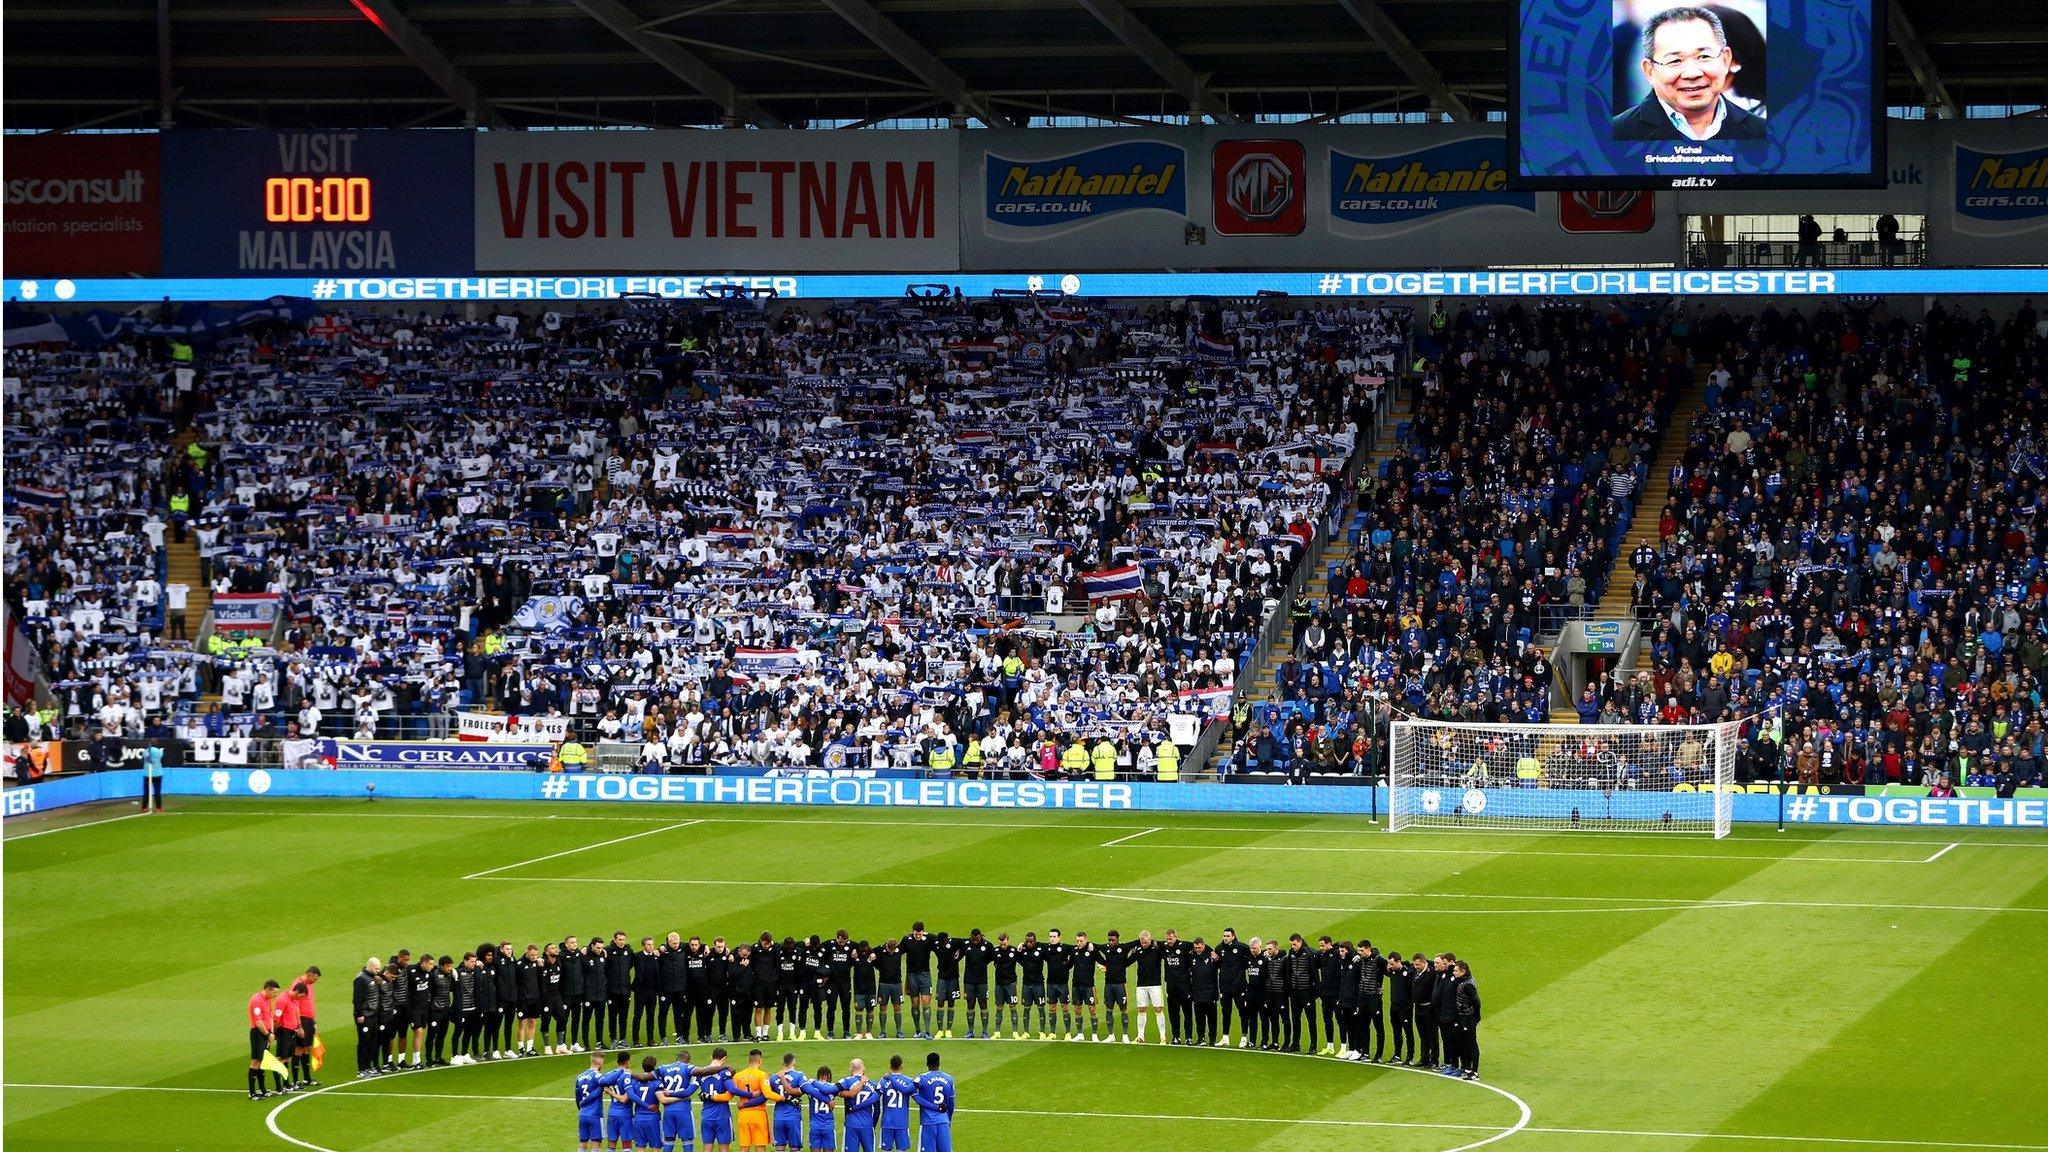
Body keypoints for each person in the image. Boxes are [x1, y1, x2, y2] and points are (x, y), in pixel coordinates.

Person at [1611, 6, 1766, 141]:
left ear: (1726, 60)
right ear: (1649, 70)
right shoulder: (1616, 134)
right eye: (1675, 61)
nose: (1692, 73)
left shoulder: (1763, 132)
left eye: (1703, 57)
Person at [911, 1053, 955, 1152]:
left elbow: (909, 1089)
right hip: (944, 1121)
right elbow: (951, 1104)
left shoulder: (921, 1078)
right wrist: (949, 1119)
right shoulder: (949, 1079)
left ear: (927, 1064)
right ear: (939, 1063)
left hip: (928, 1122)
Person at [732, 1049, 774, 1152]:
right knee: (760, 1146)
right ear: (759, 1061)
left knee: (744, 1147)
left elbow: (732, 1091)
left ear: (749, 1060)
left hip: (743, 1115)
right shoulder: (762, 1075)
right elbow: (766, 1094)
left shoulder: (738, 1075)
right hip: (758, 1113)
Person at [899, 924, 935, 1041]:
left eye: (920, 933)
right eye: (916, 934)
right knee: (915, 1002)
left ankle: (927, 1031)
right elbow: (897, 951)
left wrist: (928, 934)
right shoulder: (906, 940)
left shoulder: (928, 939)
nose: (918, 936)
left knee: (926, 1001)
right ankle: (918, 1030)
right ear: (912, 932)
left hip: (925, 974)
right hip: (911, 975)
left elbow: (940, 942)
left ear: (923, 932)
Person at [836, 1059, 881, 1152]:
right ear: (863, 1068)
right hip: (867, 1125)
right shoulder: (874, 1084)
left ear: (850, 1069)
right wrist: (873, 1126)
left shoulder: (847, 1082)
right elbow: (877, 1110)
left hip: (851, 1124)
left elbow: (834, 1091)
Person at [769, 1053, 809, 1152]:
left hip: (778, 1117)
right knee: (794, 1148)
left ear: (782, 1062)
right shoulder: (800, 1075)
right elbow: (805, 1090)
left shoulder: (774, 1077)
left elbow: (768, 1094)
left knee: (779, 1147)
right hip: (793, 1117)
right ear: (794, 1062)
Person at [288, 967, 322, 1087]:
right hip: (301, 1020)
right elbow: (295, 1006)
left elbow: (309, 1004)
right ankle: (296, 1080)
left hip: (309, 1021)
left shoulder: (309, 984)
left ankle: (307, 1078)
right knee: (299, 1049)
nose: (315, 981)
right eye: (315, 978)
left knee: (307, 1048)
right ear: (309, 974)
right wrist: (299, 1025)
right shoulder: (298, 985)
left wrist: (313, 1022)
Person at [248, 979, 280, 1099]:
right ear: (268, 989)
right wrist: (267, 1034)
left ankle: (262, 1090)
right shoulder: (257, 1000)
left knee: (262, 1061)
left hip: (266, 1034)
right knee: (256, 1061)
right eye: (274, 992)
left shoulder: (267, 999)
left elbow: (269, 1017)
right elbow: (258, 1022)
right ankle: (252, 1093)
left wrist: (271, 1032)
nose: (275, 995)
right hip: (258, 1034)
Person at [876, 1056, 916, 1152]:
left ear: (890, 1066)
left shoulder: (883, 1080)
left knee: (886, 1150)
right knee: (902, 1150)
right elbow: (918, 1099)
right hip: (902, 1123)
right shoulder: (908, 1081)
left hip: (887, 1122)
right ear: (902, 1066)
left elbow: (875, 1098)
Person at [1131, 929, 1164, 1043]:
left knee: (1158, 1009)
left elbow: (1168, 945)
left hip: (1155, 985)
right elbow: (1127, 962)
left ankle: (1162, 1037)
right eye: (1141, 942)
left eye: (1145, 942)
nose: (1143, 944)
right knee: (1141, 1009)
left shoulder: (1157, 949)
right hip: (1141, 985)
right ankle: (1140, 1036)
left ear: (1150, 939)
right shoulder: (1137, 950)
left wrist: (1156, 942)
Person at [1452, 960, 1482, 1080]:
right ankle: (1468, 1069)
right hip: (1463, 1016)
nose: (1453, 973)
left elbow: (1476, 1002)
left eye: (1456, 970)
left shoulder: (1467, 985)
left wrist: (1476, 1015)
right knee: (1465, 1043)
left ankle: (1474, 1072)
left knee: (1471, 1044)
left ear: (1463, 971)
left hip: (1468, 1017)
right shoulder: (1465, 980)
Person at [799, 1065, 841, 1151]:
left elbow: (798, 1090)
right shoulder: (833, 1088)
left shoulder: (811, 1087)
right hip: (828, 1125)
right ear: (828, 1076)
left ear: (819, 1075)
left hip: (815, 1125)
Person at [352, 957, 382, 1077]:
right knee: (364, 1042)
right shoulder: (361, 979)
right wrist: (359, 1014)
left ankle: (368, 1066)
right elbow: (357, 999)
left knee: (372, 1042)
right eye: (376, 968)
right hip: (364, 1016)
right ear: (369, 967)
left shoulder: (372, 976)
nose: (378, 970)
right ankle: (361, 1069)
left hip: (373, 1015)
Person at [576, 1053, 610, 1152]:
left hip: (582, 1114)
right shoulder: (598, 1076)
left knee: (582, 1145)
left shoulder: (579, 1077)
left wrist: (582, 1109)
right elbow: (608, 1081)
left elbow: (577, 1098)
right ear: (601, 1062)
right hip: (595, 1115)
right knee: (596, 1146)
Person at [1387, 952, 1414, 1064]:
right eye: (1389, 963)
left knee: (1408, 1032)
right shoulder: (1392, 971)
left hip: (1405, 1007)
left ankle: (1410, 1057)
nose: (1390, 966)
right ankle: (1397, 1055)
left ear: (1399, 962)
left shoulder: (1408, 972)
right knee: (1396, 1031)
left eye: (1392, 963)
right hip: (1394, 1006)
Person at [140, 742, 165, 812]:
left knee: (146, 791)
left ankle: (144, 807)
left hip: (147, 774)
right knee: (157, 791)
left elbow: (143, 758)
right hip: (158, 774)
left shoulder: (145, 751)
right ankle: (159, 808)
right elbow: (161, 757)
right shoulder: (159, 751)